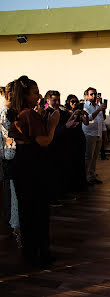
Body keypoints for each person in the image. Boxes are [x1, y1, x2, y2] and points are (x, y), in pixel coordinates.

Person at [8, 75, 60, 267]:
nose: (39, 96)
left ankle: (30, 252)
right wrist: (53, 124)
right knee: (38, 210)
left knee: (26, 210)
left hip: (22, 163)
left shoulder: (16, 112)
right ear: (26, 95)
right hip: (32, 164)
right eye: (35, 93)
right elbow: (44, 141)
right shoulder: (28, 114)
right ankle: (42, 253)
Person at [0, 82, 20, 247]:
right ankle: (15, 228)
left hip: (9, 159)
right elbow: (9, 141)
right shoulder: (6, 113)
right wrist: (10, 156)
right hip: (9, 159)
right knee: (12, 196)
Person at [64, 94, 89, 193]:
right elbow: (67, 124)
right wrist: (74, 114)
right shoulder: (66, 112)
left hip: (79, 136)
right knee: (72, 161)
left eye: (76, 102)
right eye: (72, 102)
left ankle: (81, 182)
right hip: (70, 137)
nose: (74, 103)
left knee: (81, 159)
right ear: (68, 103)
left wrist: (84, 114)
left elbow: (86, 122)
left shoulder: (78, 112)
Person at [82, 87, 107, 185]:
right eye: (91, 94)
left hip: (98, 134)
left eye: (95, 94)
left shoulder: (97, 106)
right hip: (89, 134)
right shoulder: (85, 106)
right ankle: (84, 178)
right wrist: (99, 109)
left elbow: (101, 121)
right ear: (87, 96)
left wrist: (104, 134)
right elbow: (89, 118)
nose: (94, 96)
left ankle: (91, 176)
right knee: (88, 157)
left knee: (95, 157)